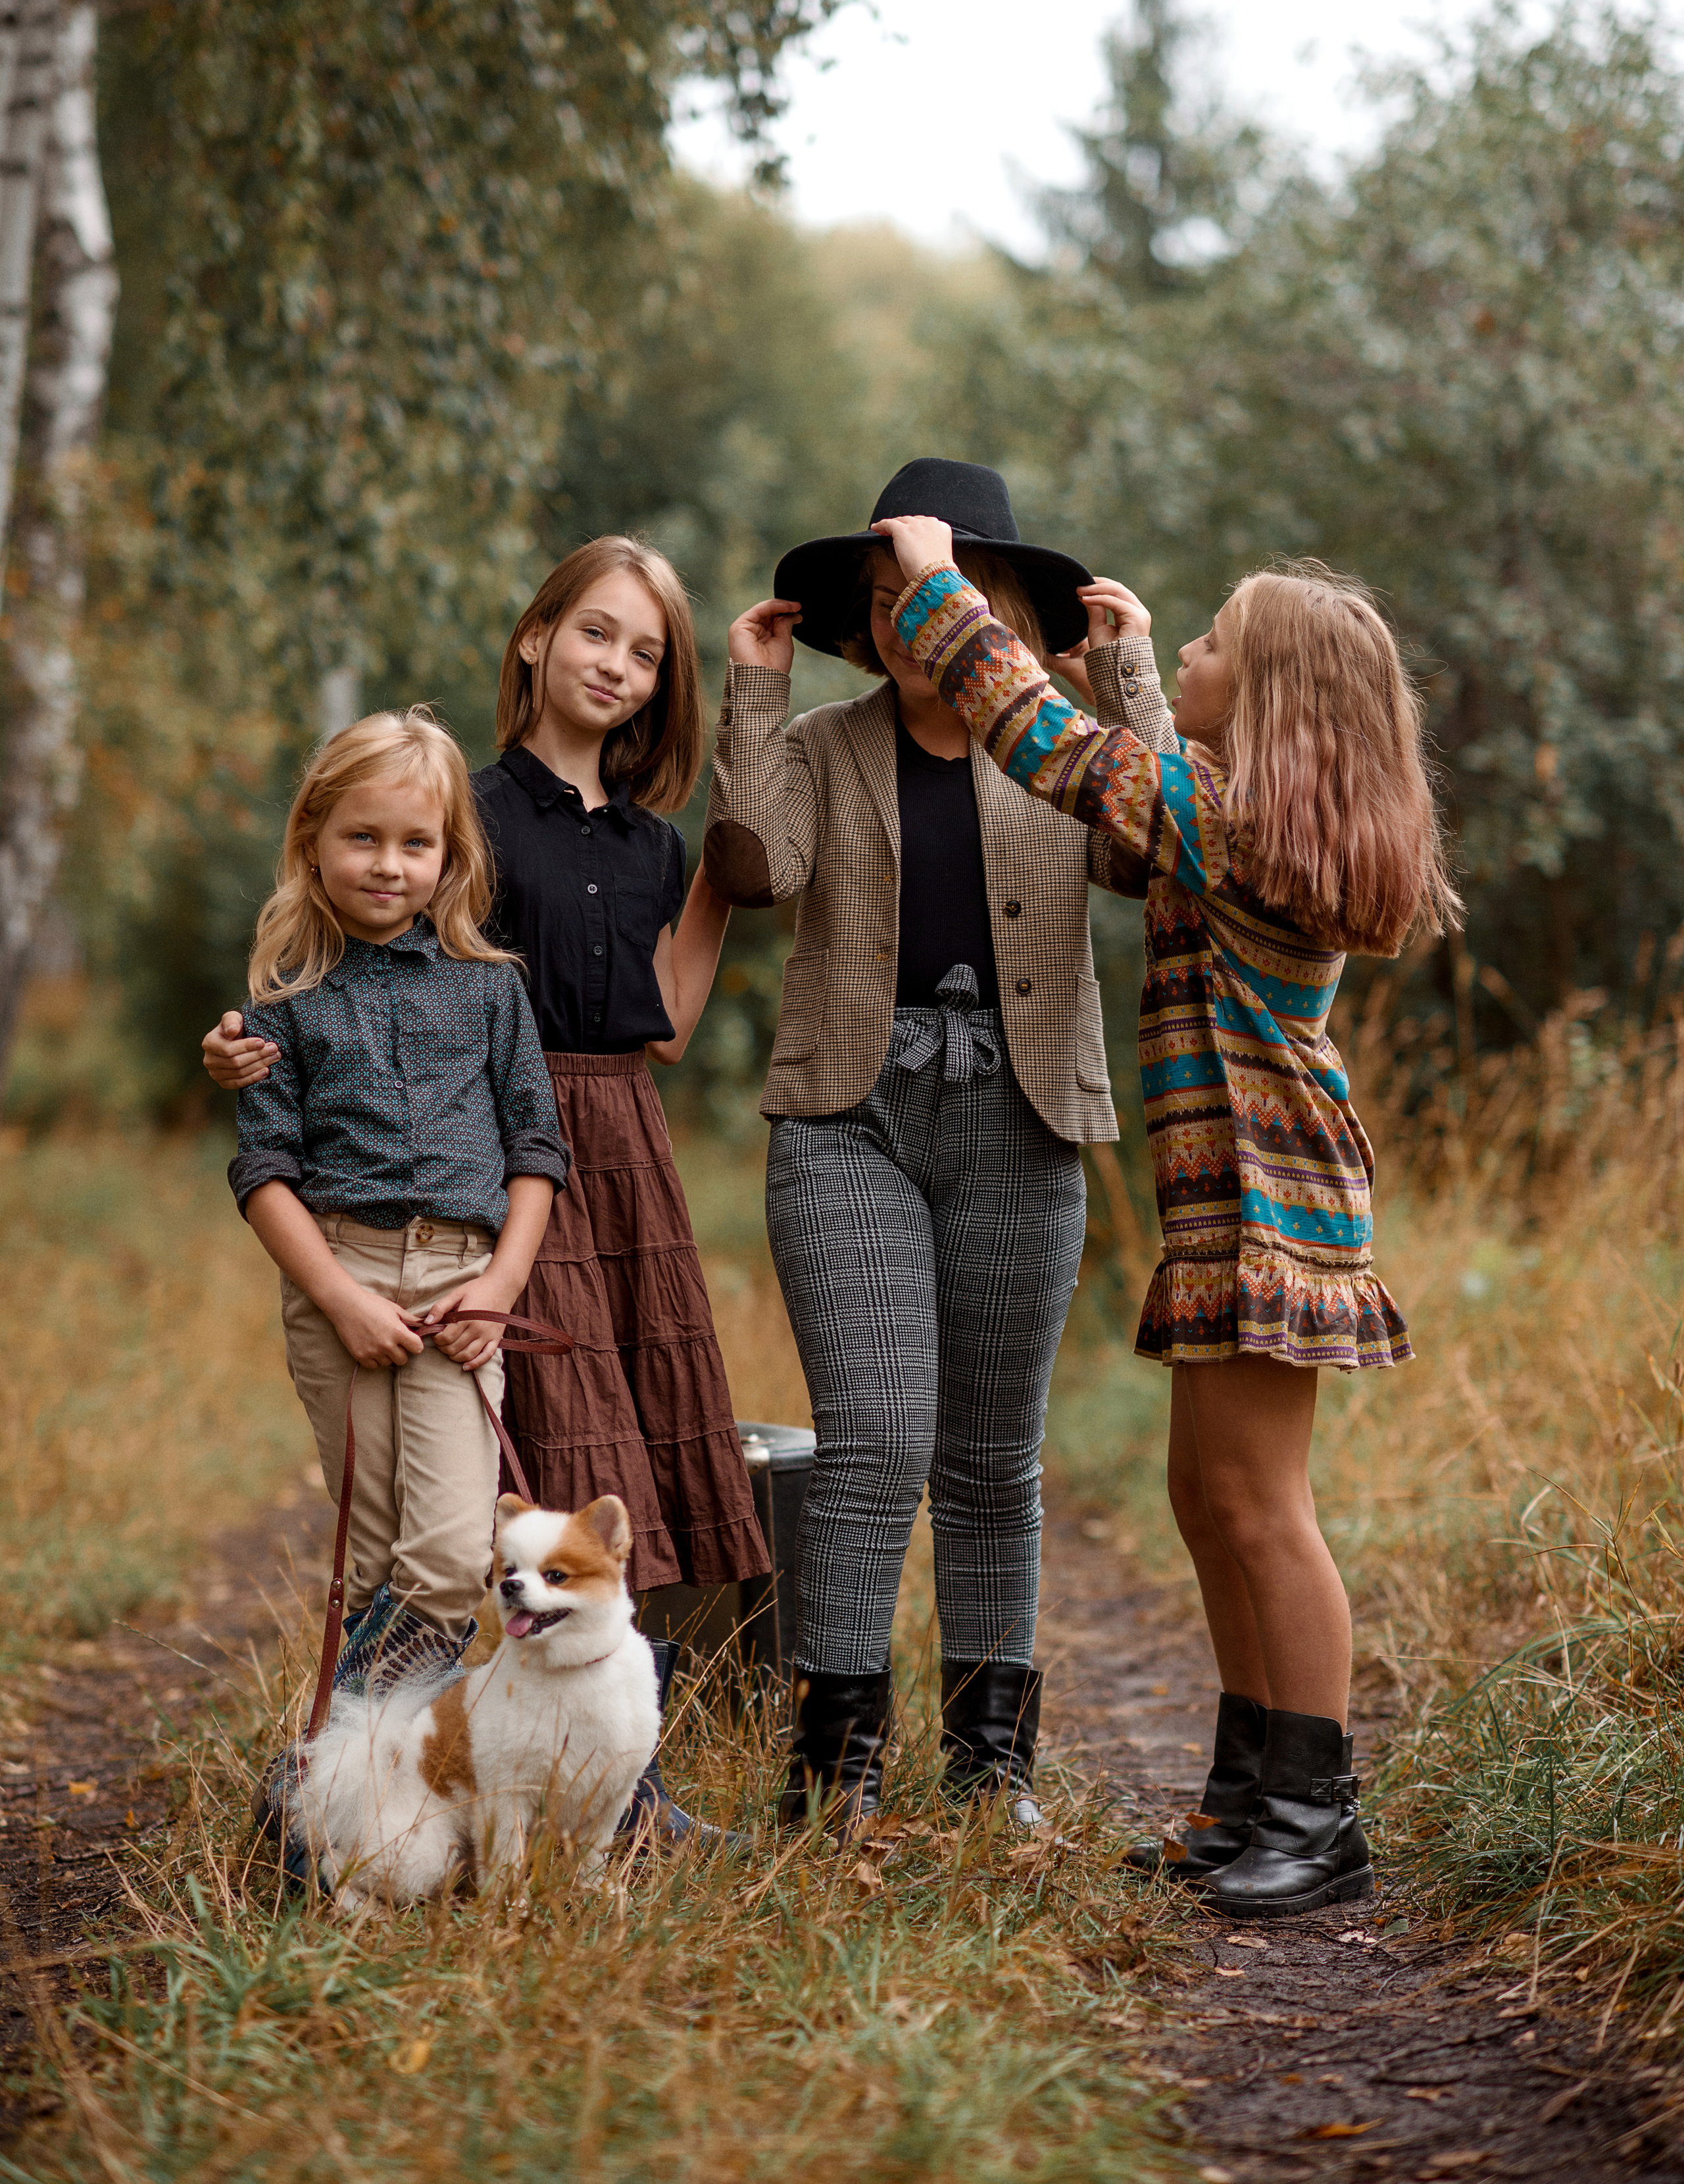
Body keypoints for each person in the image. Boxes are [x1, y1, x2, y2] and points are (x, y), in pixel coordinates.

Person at [872, 509, 1459, 1918]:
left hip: (1268, 1201)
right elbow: (1143, 796)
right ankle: (1247, 1795)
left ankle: (1318, 1817)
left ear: (1269, 700)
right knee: (1207, 1499)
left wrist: (938, 584)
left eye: (1208, 641)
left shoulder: (1233, 826)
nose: (1183, 646)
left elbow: (1055, 749)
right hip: (1232, 1199)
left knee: (1262, 1508)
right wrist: (1136, 667)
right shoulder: (1231, 821)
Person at [205, 536, 769, 1847]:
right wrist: (241, 1041)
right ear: (535, 636)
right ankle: (349, 1780)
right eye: (596, 632)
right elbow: (360, 952)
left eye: (646, 653)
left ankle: (610, 1785)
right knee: (525, 1472)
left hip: (610, 1147)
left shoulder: (652, 844)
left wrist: (719, 881)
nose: (616, 666)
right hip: (490, 1156)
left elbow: (669, 1025)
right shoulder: (465, 806)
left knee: (619, 1462)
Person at [706, 457, 1166, 1836]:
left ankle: (990, 1773)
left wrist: (1129, 681)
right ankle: (834, 1771)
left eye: (941, 588)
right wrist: (754, 697)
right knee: (872, 1438)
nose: (912, 617)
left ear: (1003, 609)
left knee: (991, 1459)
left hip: (1021, 1117)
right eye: (891, 594)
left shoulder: (1061, 749)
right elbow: (753, 868)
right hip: (846, 1119)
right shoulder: (824, 745)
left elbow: (1156, 851)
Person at [230, 708, 568, 1721]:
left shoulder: (490, 989)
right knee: (374, 1555)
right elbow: (263, 1171)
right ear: (313, 842)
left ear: (449, 857)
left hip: (463, 1288)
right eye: (363, 838)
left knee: (454, 1552)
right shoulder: (283, 999)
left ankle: (330, 1759)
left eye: (416, 843)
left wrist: (499, 1288)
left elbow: (537, 1148)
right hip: (340, 1282)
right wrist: (340, 1300)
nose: (388, 864)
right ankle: (380, 1784)